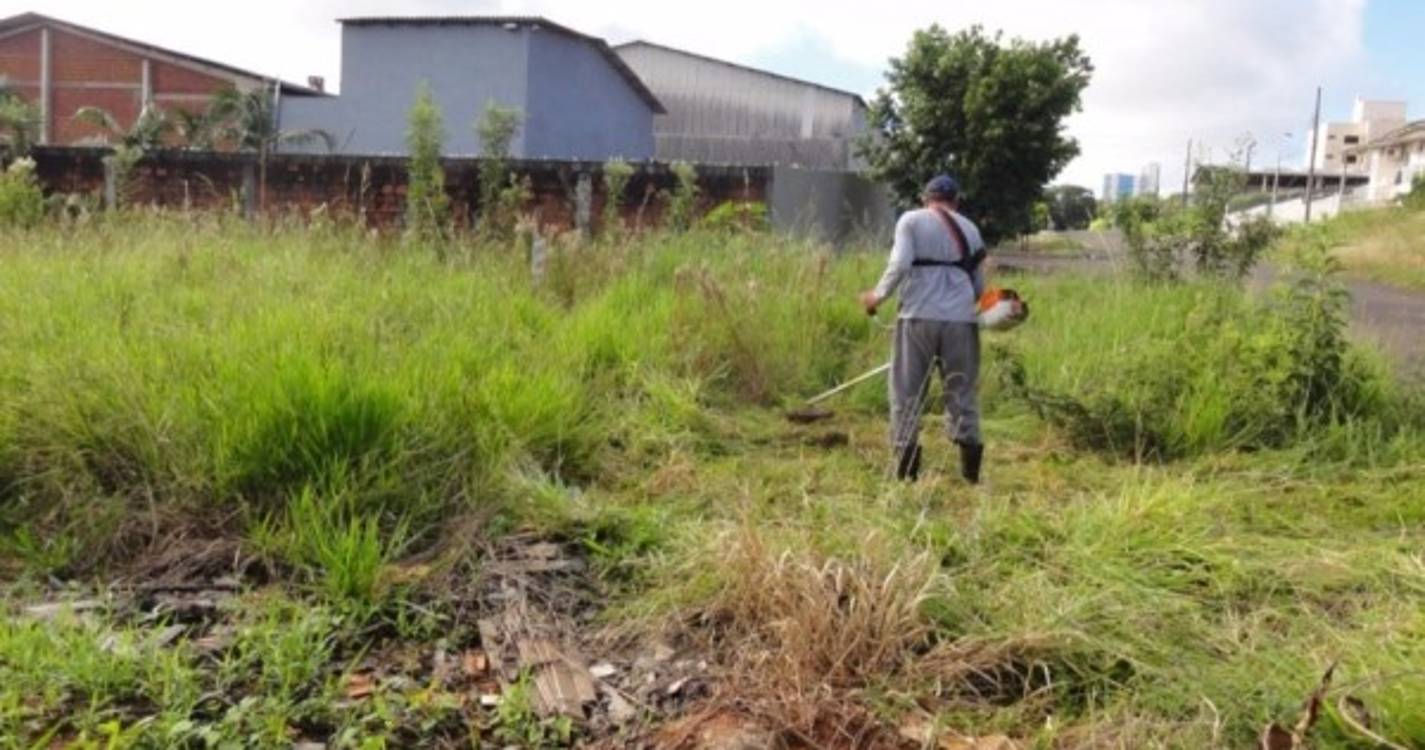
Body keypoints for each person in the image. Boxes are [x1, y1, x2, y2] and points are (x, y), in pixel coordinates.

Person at [859, 175, 987, 484]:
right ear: (955, 200)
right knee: (961, 392)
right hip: (961, 320)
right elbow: (980, 287)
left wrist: (877, 296)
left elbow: (900, 264)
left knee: (906, 392)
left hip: (918, 317)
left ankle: (906, 475)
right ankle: (970, 476)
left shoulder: (911, 220)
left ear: (924, 198)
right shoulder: (971, 229)